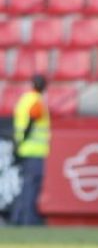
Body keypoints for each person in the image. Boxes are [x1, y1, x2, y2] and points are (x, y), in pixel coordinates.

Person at [10, 75, 50, 226]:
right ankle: (29, 218)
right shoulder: (36, 102)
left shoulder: (24, 100)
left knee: (26, 184)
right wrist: (24, 141)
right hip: (34, 150)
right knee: (32, 185)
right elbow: (31, 123)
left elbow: (20, 123)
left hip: (25, 148)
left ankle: (17, 217)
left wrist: (18, 145)